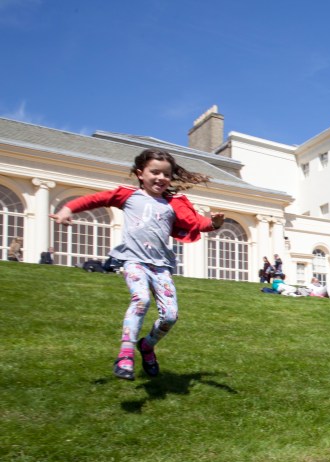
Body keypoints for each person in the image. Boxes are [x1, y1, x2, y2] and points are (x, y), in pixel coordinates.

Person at [50, 148, 223, 380]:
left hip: (160, 266)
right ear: (141, 173)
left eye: (166, 174)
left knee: (170, 316)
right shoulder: (128, 196)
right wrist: (67, 209)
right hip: (133, 261)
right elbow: (96, 199)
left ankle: (147, 346)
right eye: (155, 172)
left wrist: (214, 223)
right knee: (140, 299)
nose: (161, 178)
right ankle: (125, 354)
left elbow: (196, 223)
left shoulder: (174, 203)